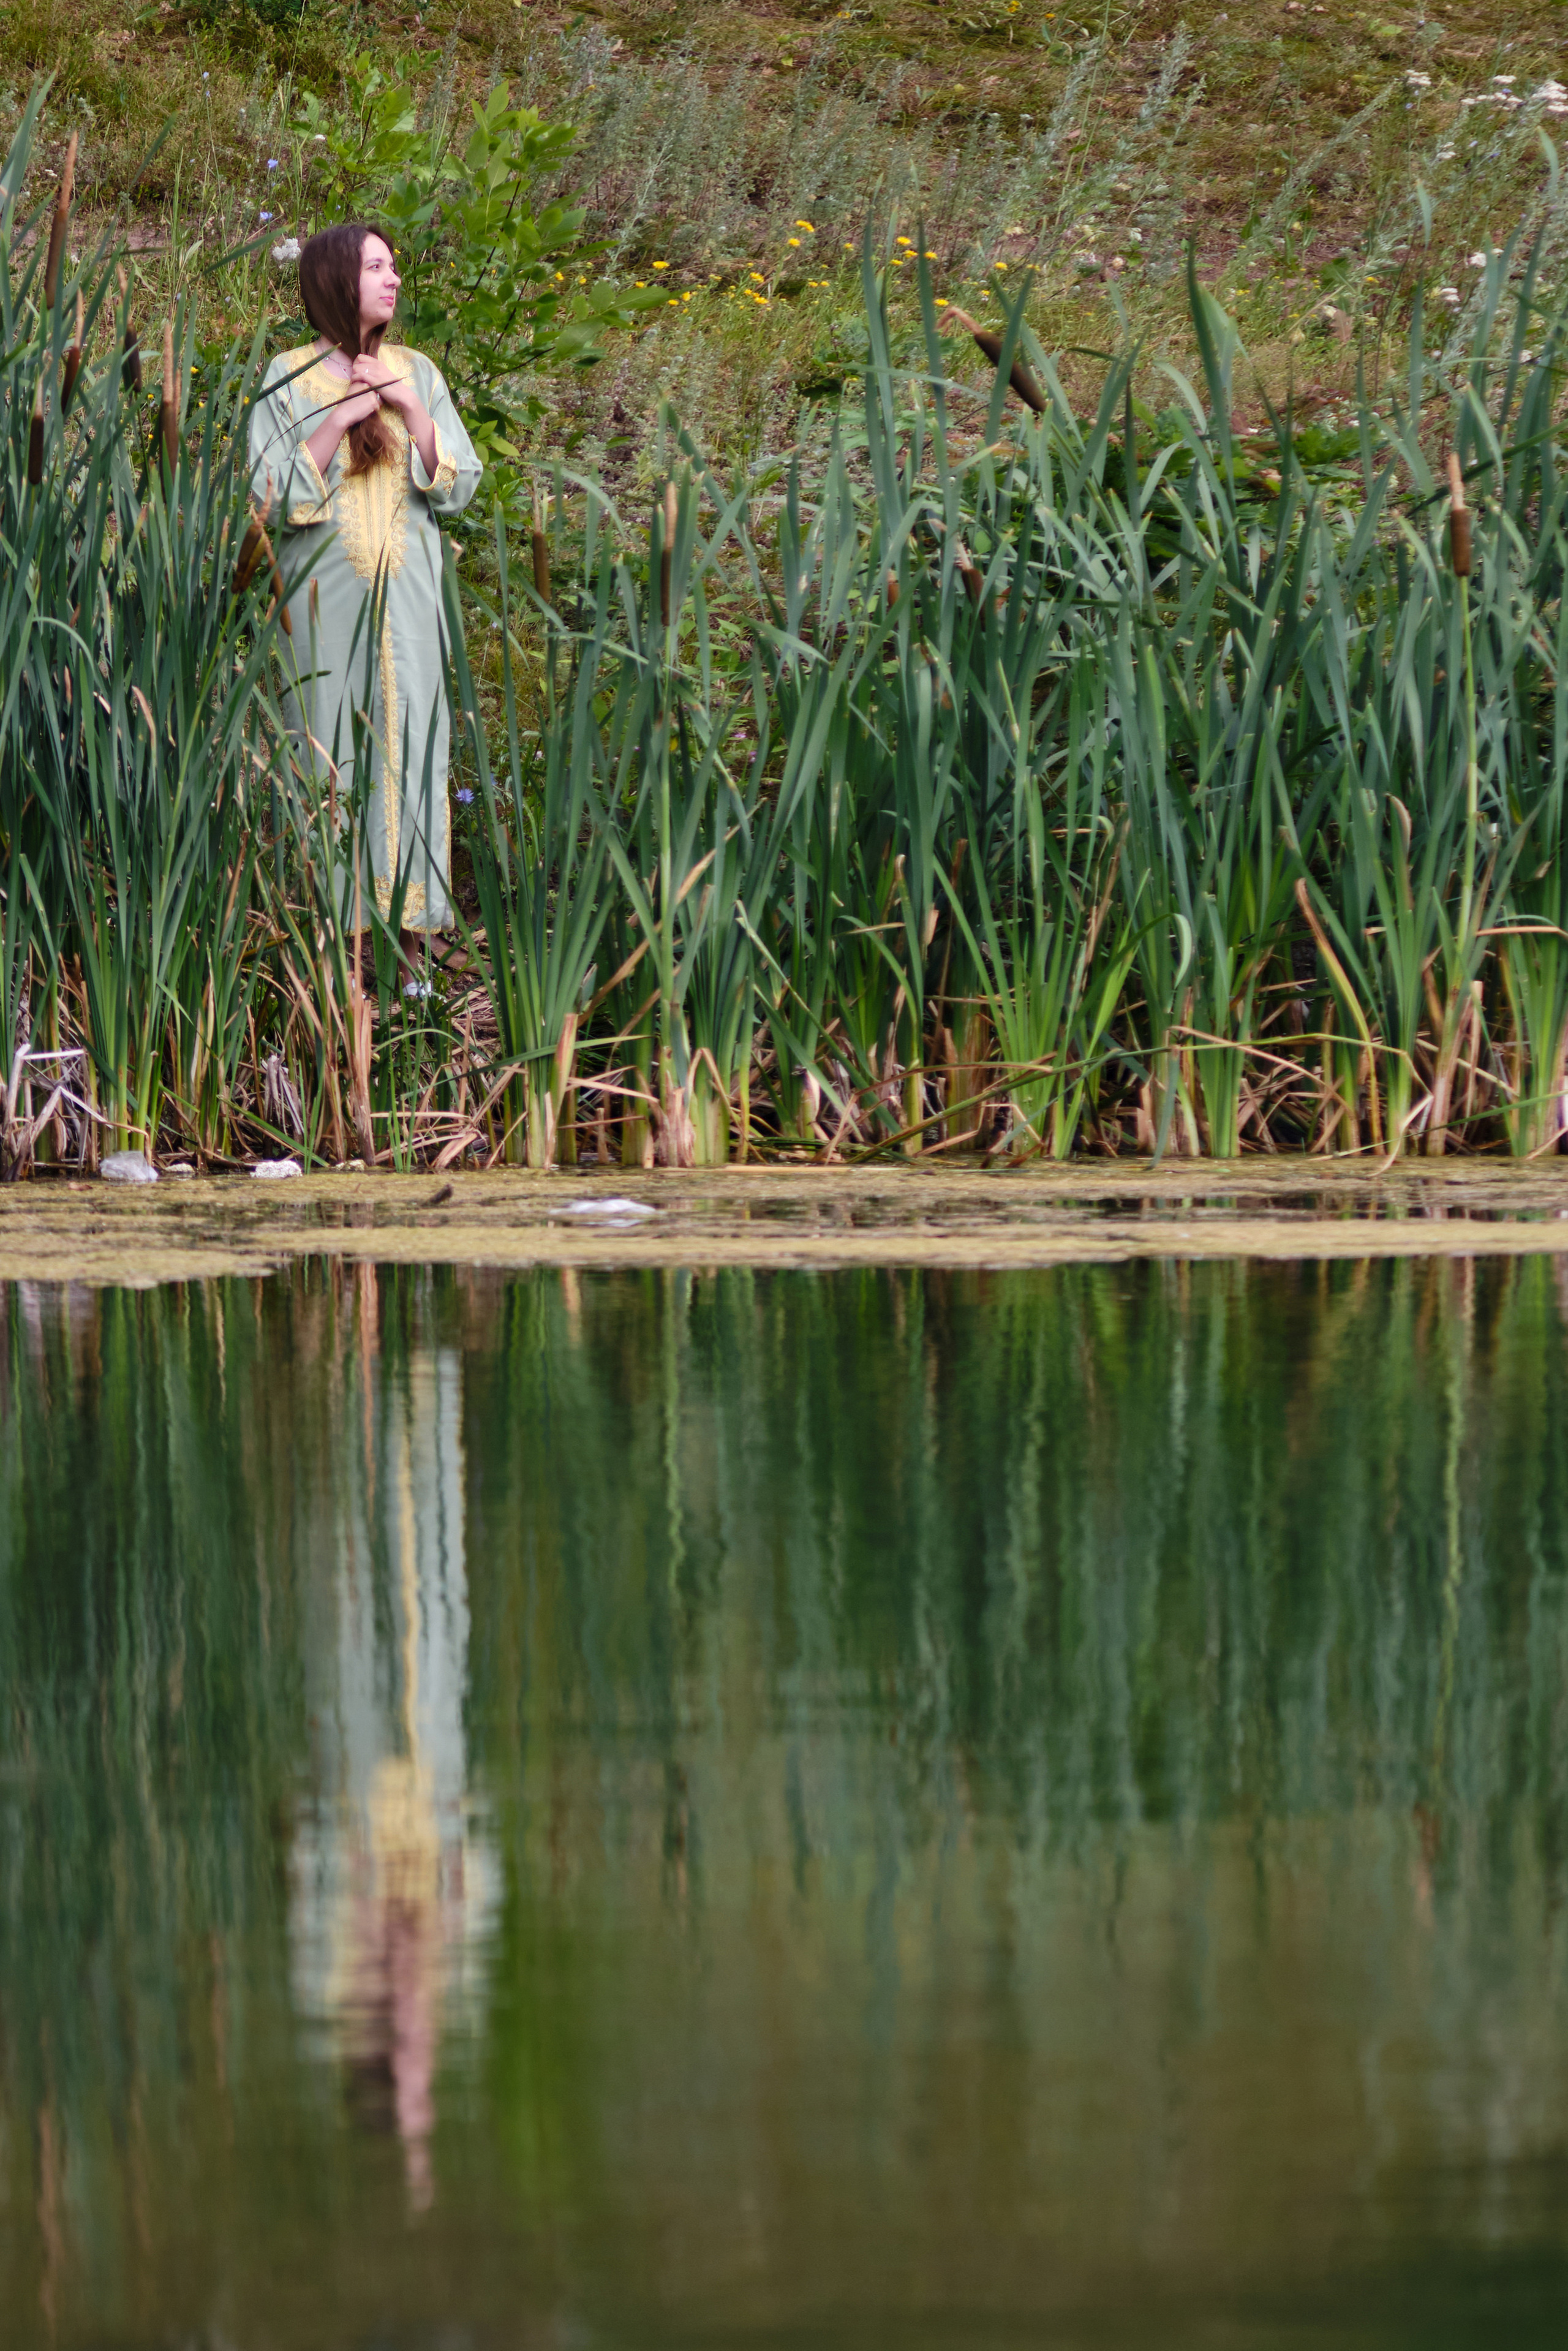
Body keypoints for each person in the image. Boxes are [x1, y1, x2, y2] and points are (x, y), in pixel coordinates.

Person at [248, 224, 481, 941]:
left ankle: (409, 942)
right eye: (376, 266)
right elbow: (266, 498)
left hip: (409, 605)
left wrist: (406, 407)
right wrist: (342, 419)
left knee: (411, 741)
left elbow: (459, 485)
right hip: (321, 609)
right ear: (336, 279)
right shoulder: (287, 376)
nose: (393, 279)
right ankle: (326, 942)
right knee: (324, 748)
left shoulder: (420, 372)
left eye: (393, 266)